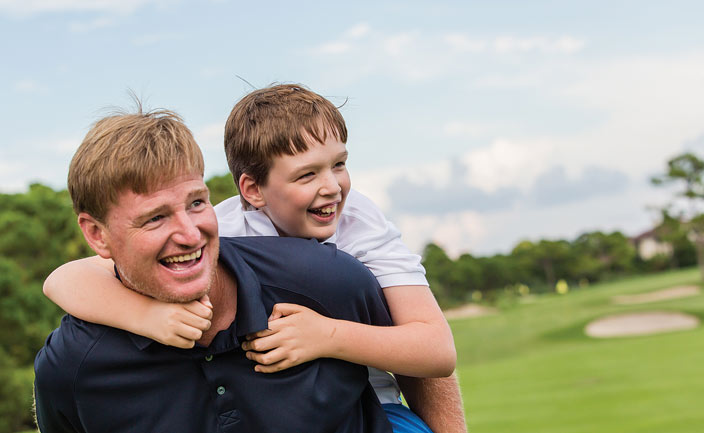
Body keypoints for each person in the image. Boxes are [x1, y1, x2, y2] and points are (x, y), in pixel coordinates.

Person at [44, 85, 467, 432]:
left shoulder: (358, 228)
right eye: (306, 174)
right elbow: (68, 279)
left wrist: (326, 336)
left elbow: (434, 351)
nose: (332, 187)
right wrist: (143, 315)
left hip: (380, 400)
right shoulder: (225, 229)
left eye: (339, 164)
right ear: (252, 190)